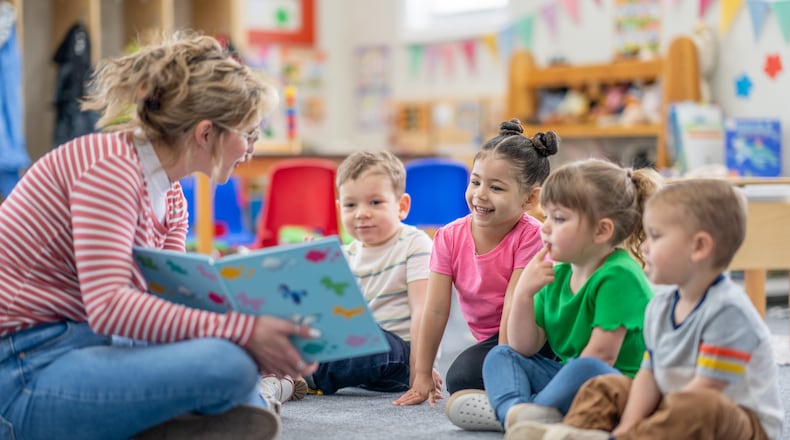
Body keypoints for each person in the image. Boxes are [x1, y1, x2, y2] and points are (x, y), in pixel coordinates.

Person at [0, 32, 319, 440]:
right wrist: (244, 330)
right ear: (205, 134)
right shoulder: (110, 169)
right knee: (231, 364)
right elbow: (111, 306)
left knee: (234, 357)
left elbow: (167, 300)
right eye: (250, 134)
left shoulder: (171, 197)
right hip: (25, 367)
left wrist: (254, 317)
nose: (251, 149)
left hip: (88, 344)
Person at [510, 179, 783, 440]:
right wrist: (626, 427)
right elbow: (649, 375)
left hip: (738, 425)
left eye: (655, 236)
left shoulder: (728, 311)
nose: (643, 247)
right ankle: (573, 432)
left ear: (699, 247)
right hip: (671, 405)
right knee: (605, 386)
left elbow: (706, 390)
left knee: (698, 405)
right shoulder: (661, 305)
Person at [444, 158, 661, 433]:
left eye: (558, 219)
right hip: (569, 379)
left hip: (614, 386)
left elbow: (601, 356)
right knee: (501, 355)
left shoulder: (620, 275)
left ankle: (522, 412)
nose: (544, 228)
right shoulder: (556, 275)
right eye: (546, 216)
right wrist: (523, 292)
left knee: (586, 368)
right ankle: (517, 412)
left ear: (602, 230)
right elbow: (524, 347)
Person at [393, 119, 558, 407]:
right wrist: (421, 373)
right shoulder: (448, 237)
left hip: (538, 336)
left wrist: (505, 369)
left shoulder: (532, 236)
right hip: (494, 340)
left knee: (479, 371)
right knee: (462, 376)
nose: (480, 194)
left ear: (530, 198)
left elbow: (514, 305)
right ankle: (530, 390)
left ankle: (529, 394)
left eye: (496, 188)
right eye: (476, 181)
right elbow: (435, 309)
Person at [281, 151, 439, 398]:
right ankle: (288, 367)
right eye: (350, 205)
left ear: (402, 206)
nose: (361, 213)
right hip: (357, 350)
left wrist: (421, 371)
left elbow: (423, 310)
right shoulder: (344, 253)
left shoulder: (415, 244)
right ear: (339, 208)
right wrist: (313, 275)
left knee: (375, 344)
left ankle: (300, 374)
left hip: (402, 356)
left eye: (375, 202)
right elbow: (335, 316)